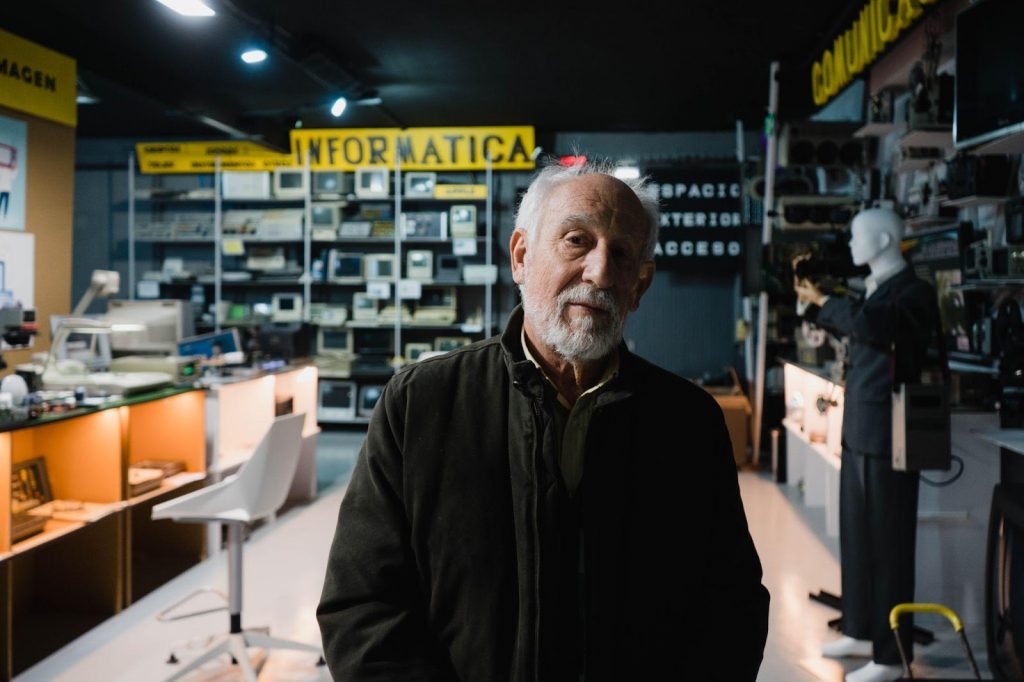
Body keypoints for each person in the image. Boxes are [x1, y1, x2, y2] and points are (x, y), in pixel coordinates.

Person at [317, 160, 770, 681]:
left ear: (640, 286)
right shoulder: (420, 403)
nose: (600, 272)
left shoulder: (688, 423)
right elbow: (363, 608)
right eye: (577, 241)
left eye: (622, 254)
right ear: (521, 256)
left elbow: (731, 606)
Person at [794, 208, 939, 682]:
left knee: (890, 546)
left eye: (859, 237)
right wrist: (813, 305)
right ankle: (859, 628)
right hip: (860, 428)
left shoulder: (913, 292)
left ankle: (891, 655)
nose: (852, 245)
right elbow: (857, 324)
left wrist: (825, 300)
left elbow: (873, 326)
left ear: (883, 240)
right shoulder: (872, 291)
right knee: (857, 537)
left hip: (891, 433)